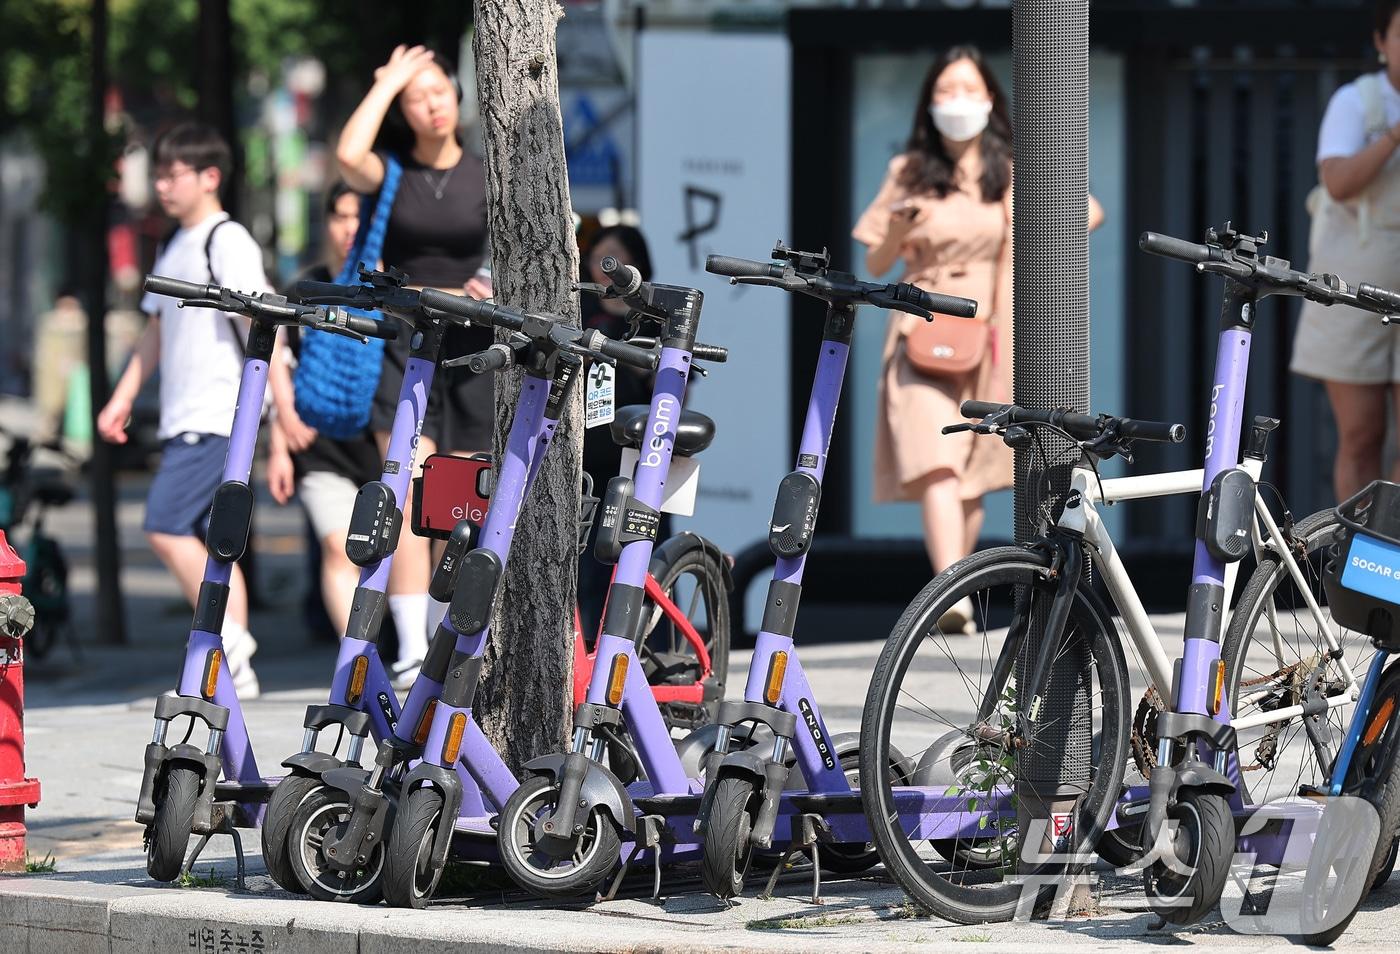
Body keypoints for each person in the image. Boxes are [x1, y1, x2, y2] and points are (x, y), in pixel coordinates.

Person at [853, 46, 1102, 630]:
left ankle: (956, 583)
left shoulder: (1014, 167)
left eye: (968, 90)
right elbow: (877, 257)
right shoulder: (908, 171)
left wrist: (1032, 215)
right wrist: (896, 228)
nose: (957, 104)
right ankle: (950, 595)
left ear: (991, 100)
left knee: (970, 474)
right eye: (945, 92)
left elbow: (1085, 212)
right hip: (922, 326)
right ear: (928, 103)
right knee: (937, 462)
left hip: (993, 332)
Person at [336, 44, 493, 686]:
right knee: (405, 489)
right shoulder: (392, 172)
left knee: (461, 495)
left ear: (458, 98)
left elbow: (525, 240)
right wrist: (390, 79)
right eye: (414, 97)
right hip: (402, 342)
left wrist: (484, 282)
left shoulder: (489, 172)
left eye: (437, 92)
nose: (430, 105)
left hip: (476, 345)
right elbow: (348, 156)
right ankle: (406, 645)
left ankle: (449, 632)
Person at [96, 122, 270, 693]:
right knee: (213, 544)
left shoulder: (228, 239)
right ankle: (230, 661)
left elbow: (265, 326)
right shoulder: (175, 244)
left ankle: (229, 642)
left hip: (219, 415)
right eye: (161, 175)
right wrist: (122, 398)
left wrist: (279, 409)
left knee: (164, 524)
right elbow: (156, 332)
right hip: (185, 416)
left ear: (210, 177)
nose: (164, 186)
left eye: (174, 175)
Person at [1292, 0, 1400, 502]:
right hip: (1357, 286)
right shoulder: (1355, 102)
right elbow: (1336, 181)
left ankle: (1391, 563)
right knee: (1361, 435)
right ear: (1381, 42)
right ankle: (1356, 568)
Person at [266, 183, 384, 640]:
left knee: (388, 554)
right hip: (319, 446)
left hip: (382, 441)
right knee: (339, 548)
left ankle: (405, 648)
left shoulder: (391, 289)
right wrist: (281, 440)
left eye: (358, 217)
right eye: (339, 216)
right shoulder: (305, 290)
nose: (348, 227)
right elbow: (281, 364)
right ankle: (355, 655)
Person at [577, 225, 656, 633]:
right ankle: (589, 647)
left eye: (615, 259)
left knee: (644, 559)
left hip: (642, 460)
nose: (605, 269)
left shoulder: (655, 318)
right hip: (589, 461)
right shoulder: (581, 313)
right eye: (598, 259)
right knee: (590, 566)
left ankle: (651, 649)